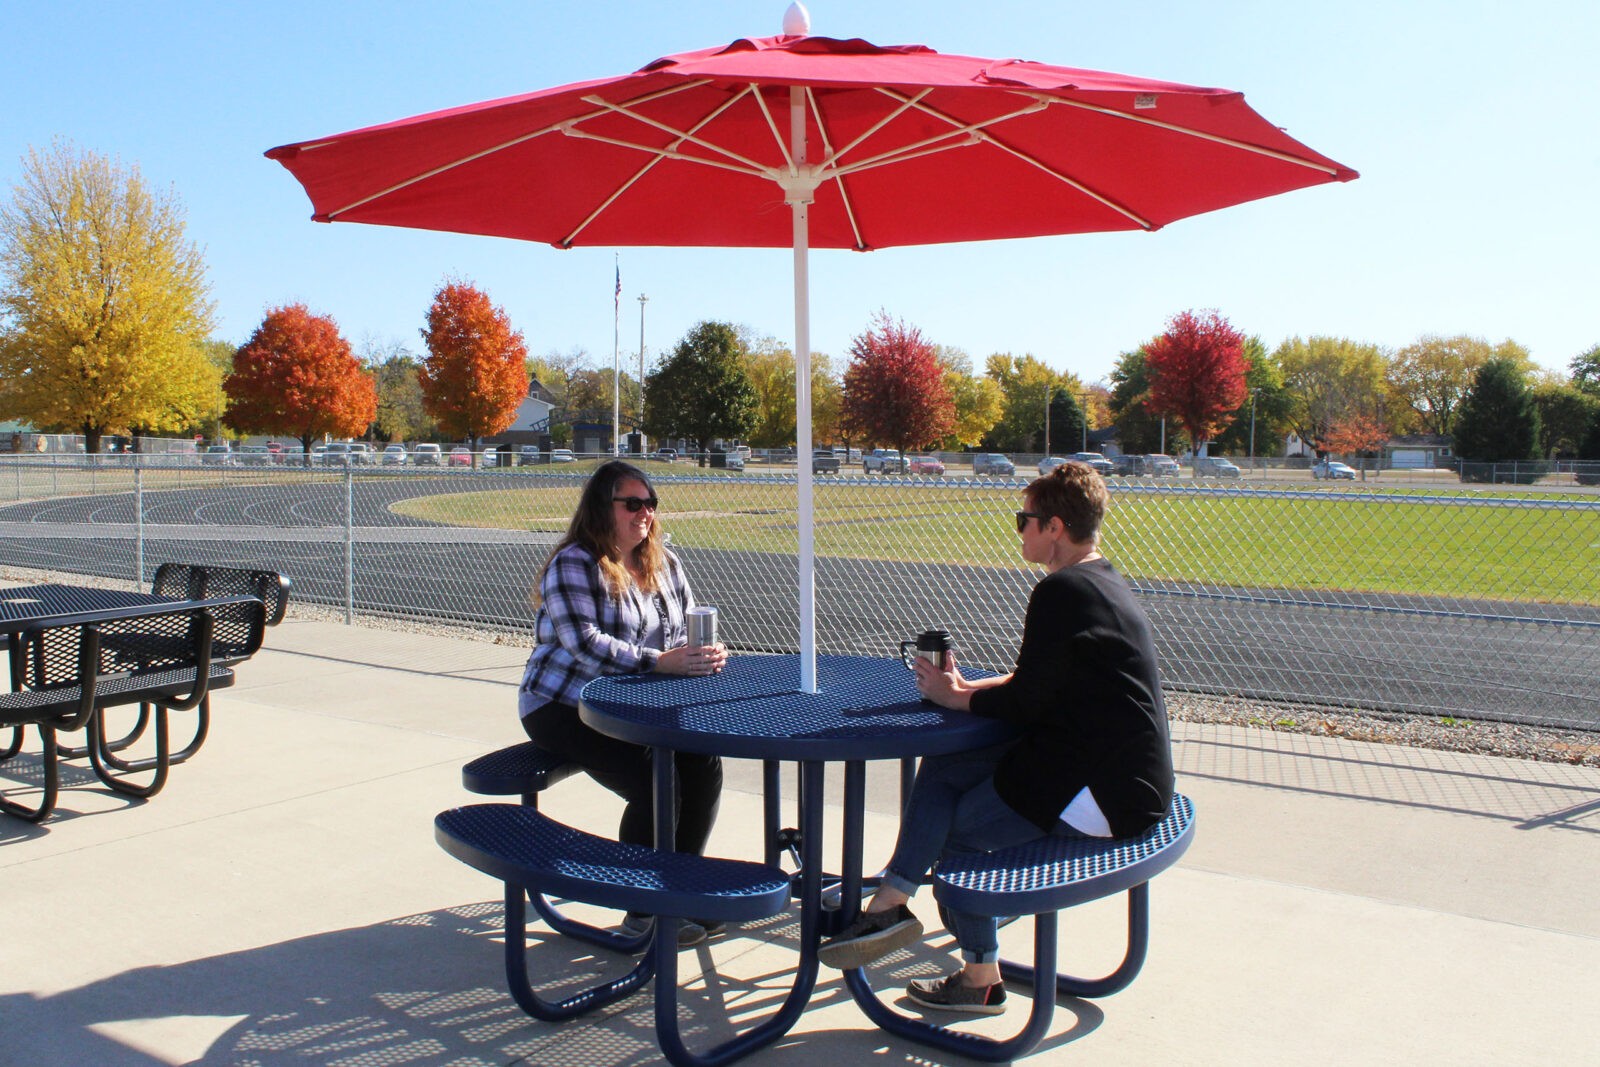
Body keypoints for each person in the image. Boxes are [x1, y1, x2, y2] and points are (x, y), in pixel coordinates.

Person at [817, 461, 1175, 1015]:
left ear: (1054, 527)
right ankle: (891, 899)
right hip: (1111, 770)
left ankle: (980, 976)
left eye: (1024, 520)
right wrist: (961, 688)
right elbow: (1038, 682)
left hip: (1105, 794)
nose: (1020, 529)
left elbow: (1028, 701)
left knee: (955, 834)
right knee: (944, 765)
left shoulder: (1062, 591)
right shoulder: (1098, 581)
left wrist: (956, 698)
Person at [518, 459, 729, 945]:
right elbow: (584, 644)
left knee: (703, 762)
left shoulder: (665, 563)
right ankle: (642, 908)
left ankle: (679, 886)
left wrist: (701, 653)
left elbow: (678, 633)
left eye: (650, 504)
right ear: (602, 508)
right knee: (658, 779)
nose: (644, 514)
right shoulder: (574, 562)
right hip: (564, 704)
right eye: (632, 503)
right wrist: (661, 662)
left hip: (635, 704)